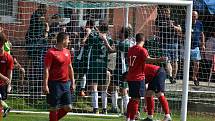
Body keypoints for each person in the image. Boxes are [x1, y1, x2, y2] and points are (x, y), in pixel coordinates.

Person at [126, 33, 166, 121]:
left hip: (130, 76)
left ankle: (128, 118)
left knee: (133, 99)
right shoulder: (142, 50)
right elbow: (148, 59)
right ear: (143, 40)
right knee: (136, 99)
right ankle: (132, 119)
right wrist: (158, 59)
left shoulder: (130, 50)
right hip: (138, 77)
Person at [43, 32, 75, 121]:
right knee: (54, 108)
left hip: (66, 84)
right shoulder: (51, 52)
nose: (69, 41)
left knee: (68, 107)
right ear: (63, 40)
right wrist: (45, 85)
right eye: (68, 39)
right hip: (54, 84)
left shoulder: (67, 52)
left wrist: (73, 82)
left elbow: (70, 67)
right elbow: (46, 69)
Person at [85, 20, 114, 114]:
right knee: (104, 88)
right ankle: (104, 109)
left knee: (95, 87)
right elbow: (111, 50)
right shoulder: (109, 39)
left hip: (94, 65)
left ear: (99, 27)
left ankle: (96, 109)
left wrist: (90, 33)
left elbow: (85, 42)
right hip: (103, 66)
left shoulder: (95, 37)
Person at [111, 26, 135, 113]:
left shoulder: (123, 44)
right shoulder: (132, 42)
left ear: (124, 34)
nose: (119, 33)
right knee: (119, 87)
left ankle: (118, 108)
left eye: (120, 32)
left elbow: (111, 50)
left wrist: (105, 41)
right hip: (128, 68)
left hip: (122, 68)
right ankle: (123, 109)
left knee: (120, 88)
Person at [156, 7, 182, 84]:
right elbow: (156, 30)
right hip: (164, 43)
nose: (166, 13)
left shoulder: (174, 19)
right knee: (167, 60)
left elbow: (180, 29)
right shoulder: (159, 20)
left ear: (169, 12)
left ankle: (174, 77)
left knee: (175, 61)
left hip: (174, 42)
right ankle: (170, 76)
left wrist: (173, 26)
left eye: (167, 11)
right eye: (164, 11)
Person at [0, 32, 14, 118]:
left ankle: (5, 107)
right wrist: (4, 77)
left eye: (1, 43)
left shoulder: (8, 57)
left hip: (2, 84)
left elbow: (10, 72)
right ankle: (6, 107)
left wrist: (9, 84)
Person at [190, 11, 205, 86]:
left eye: (195, 16)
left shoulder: (199, 24)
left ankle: (194, 77)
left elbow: (202, 34)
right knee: (184, 63)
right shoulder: (187, 22)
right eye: (192, 15)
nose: (193, 17)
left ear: (197, 16)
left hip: (196, 46)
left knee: (197, 63)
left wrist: (203, 44)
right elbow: (181, 32)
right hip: (186, 46)